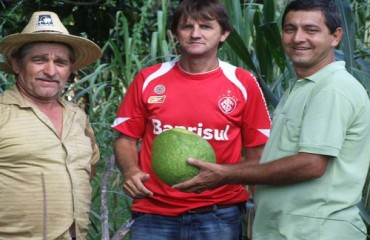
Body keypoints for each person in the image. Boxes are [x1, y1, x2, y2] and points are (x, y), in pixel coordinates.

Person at [173, 0, 370, 239]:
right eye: (290, 29)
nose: (298, 38)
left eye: (311, 30)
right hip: (289, 230)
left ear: (336, 36)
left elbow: (312, 164)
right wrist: (222, 170)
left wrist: (226, 174)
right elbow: (275, 160)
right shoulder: (302, 87)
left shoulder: (332, 88)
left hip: (316, 231)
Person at [112, 0, 271, 239]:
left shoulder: (243, 82)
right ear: (175, 32)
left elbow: (258, 156)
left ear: (224, 34)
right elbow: (125, 138)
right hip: (154, 212)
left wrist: (261, 212)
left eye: (206, 26)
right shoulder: (148, 79)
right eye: (187, 26)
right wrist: (131, 171)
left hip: (220, 213)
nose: (195, 34)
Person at [0, 11, 102, 239]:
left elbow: (88, 168)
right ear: (17, 64)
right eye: (39, 60)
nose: (50, 71)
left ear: (70, 70)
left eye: (60, 62)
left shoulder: (77, 117)